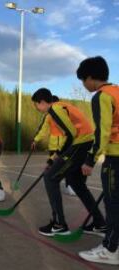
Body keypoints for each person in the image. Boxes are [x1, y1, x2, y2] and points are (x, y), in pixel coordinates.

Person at [31, 88, 106, 236]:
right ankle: (99, 223)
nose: (36, 108)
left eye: (36, 105)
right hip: (84, 143)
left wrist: (57, 155)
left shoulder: (54, 109)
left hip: (80, 144)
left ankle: (59, 225)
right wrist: (55, 158)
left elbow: (71, 135)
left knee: (50, 178)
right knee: (76, 182)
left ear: (43, 102)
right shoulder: (62, 105)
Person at [76, 56, 119, 265]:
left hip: (115, 158)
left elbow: (102, 133)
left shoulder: (101, 96)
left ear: (91, 78)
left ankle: (111, 249)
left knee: (113, 205)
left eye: (83, 81)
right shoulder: (117, 91)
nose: (84, 85)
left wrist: (90, 160)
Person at [32, 95, 76, 196]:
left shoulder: (63, 114)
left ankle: (68, 186)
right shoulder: (48, 116)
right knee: (53, 167)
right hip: (53, 146)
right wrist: (36, 140)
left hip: (64, 145)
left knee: (67, 166)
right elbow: (43, 130)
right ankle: (52, 184)